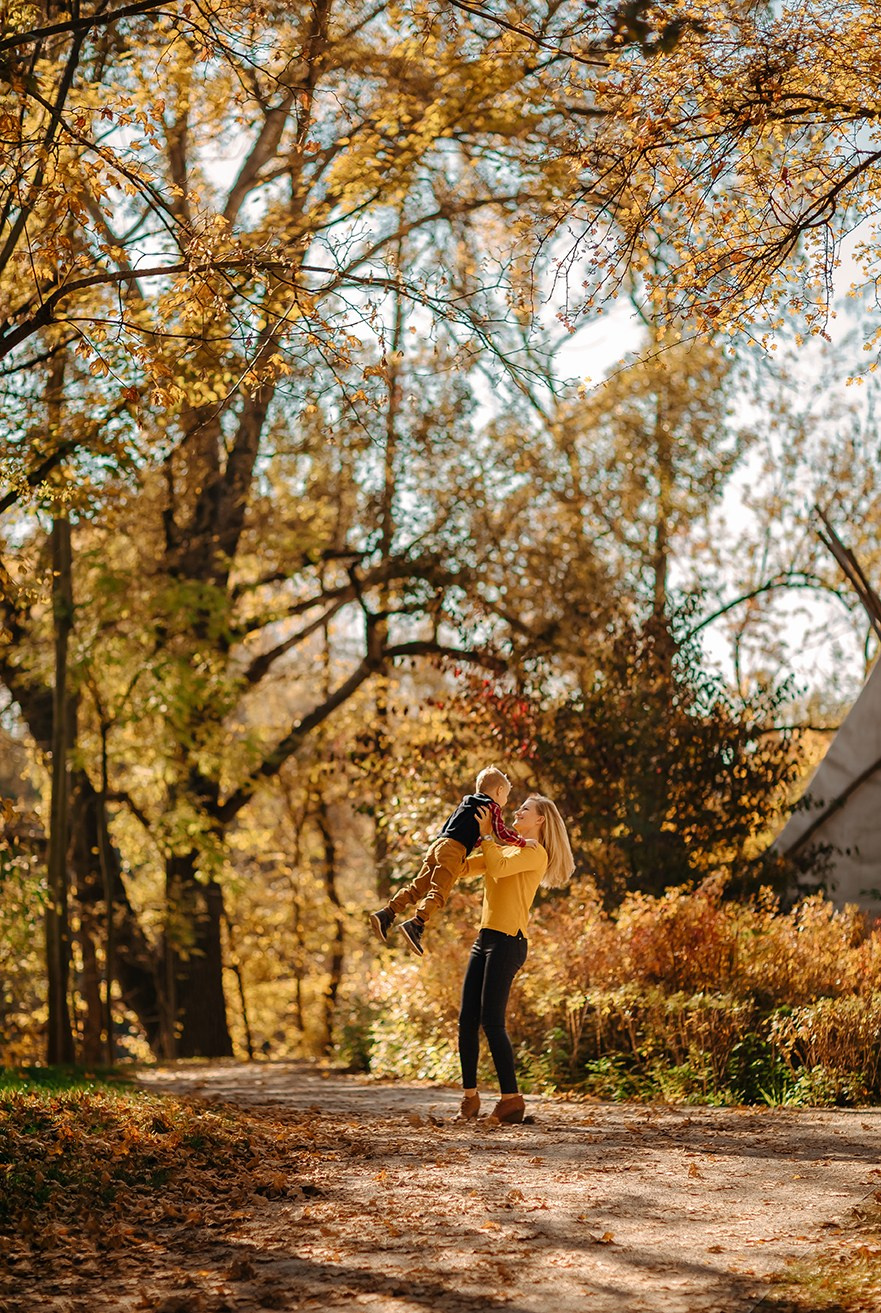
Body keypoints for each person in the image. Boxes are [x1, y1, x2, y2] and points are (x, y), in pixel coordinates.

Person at [457, 793, 574, 1125]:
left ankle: (511, 1100)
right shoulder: (506, 847)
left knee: (492, 1022)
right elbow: (469, 867)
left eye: (525, 809)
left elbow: (497, 866)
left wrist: (487, 837)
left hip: (509, 942)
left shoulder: (535, 852)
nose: (517, 812)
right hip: (485, 937)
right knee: (467, 1020)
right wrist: (449, 849)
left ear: (540, 820)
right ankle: (470, 1097)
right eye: (518, 807)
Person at [368, 766, 536, 957]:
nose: (504, 801)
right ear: (499, 791)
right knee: (439, 891)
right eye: (505, 795)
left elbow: (466, 832)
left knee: (418, 887)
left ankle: (387, 913)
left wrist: (483, 843)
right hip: (453, 851)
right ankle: (416, 924)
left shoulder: (467, 802)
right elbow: (501, 832)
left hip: (438, 845)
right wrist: (522, 842)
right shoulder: (492, 806)